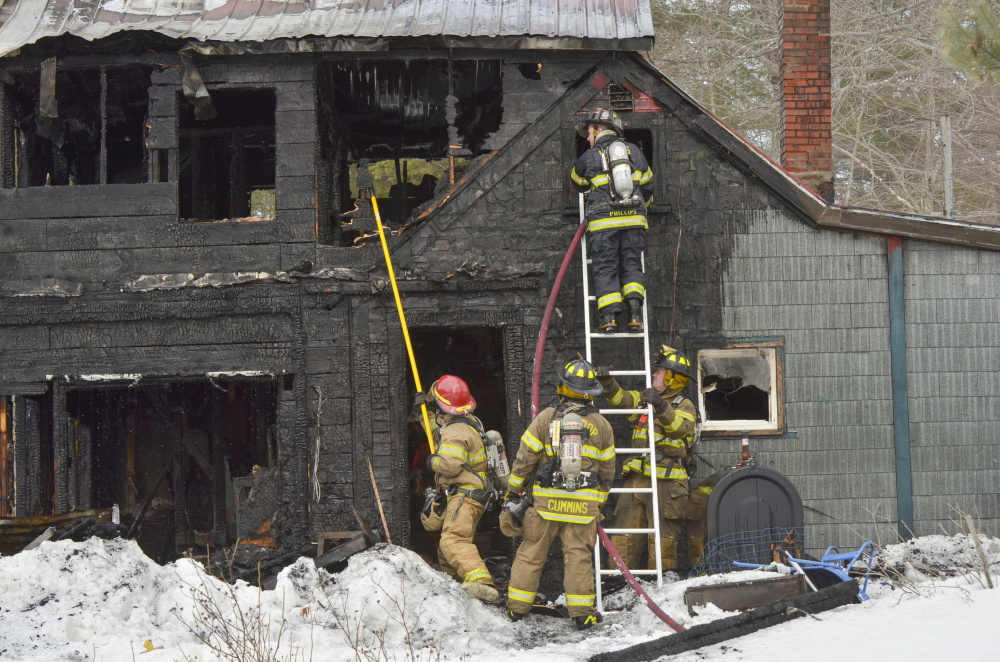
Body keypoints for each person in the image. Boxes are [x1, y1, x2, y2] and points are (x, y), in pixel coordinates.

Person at [503, 358, 616, 630]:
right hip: (583, 508)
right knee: (578, 558)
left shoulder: (546, 418)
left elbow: (524, 459)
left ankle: (516, 609)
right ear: (591, 393)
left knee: (531, 553)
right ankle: (583, 614)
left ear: (563, 387)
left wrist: (513, 492)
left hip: (545, 504)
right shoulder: (602, 425)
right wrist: (597, 505)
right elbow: (607, 473)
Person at [597, 346, 698, 572]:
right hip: (637, 479)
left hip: (667, 482)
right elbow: (622, 400)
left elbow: (679, 429)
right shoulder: (646, 401)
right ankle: (620, 581)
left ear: (672, 378)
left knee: (662, 542)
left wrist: (661, 406)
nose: (654, 375)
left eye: (659, 372)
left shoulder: (685, 406)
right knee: (624, 535)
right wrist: (607, 382)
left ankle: (661, 584)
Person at [571, 107, 654, 334]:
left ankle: (609, 320)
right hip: (634, 219)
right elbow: (648, 185)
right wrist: (641, 209)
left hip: (603, 223)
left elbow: (577, 182)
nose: (587, 139)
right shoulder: (635, 152)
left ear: (600, 130)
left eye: (589, 132)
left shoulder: (590, 156)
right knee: (632, 264)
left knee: (605, 267)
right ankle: (635, 317)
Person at [420, 375, 500, 603]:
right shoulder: (467, 422)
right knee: (446, 552)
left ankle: (481, 582)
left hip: (465, 495)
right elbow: (437, 432)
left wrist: (431, 462)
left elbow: (450, 465)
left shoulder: (455, 430)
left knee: (453, 540)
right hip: (471, 495)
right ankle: (453, 590)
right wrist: (423, 413)